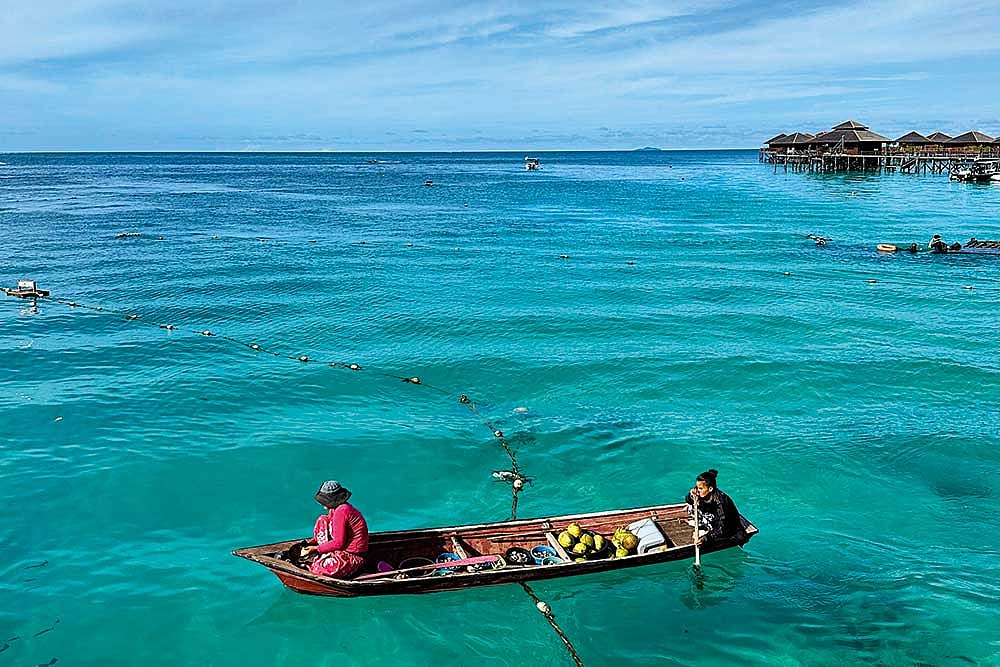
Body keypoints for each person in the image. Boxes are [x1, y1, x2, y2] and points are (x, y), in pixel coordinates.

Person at [299, 480, 369, 578]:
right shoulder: (335, 509)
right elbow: (328, 527)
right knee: (322, 519)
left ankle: (319, 559)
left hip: (353, 556)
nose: (324, 506)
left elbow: (339, 542)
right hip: (340, 551)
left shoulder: (342, 511)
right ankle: (321, 556)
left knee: (318, 569)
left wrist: (316, 549)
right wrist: (312, 543)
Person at [684, 469, 746, 545]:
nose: (697, 490)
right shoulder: (701, 492)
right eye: (697, 488)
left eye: (700, 488)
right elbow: (689, 500)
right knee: (691, 506)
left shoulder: (721, 503)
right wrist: (691, 495)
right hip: (710, 519)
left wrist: (705, 538)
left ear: (710, 489)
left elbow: (722, 529)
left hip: (727, 527)